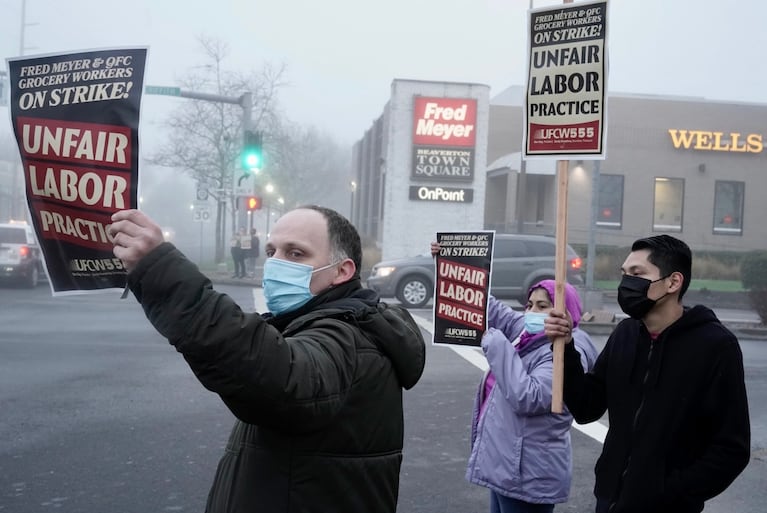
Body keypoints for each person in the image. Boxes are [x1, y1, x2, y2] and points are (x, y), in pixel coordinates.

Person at [109, 206, 426, 513]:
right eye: (272, 251)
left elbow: (281, 378)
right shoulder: (325, 323)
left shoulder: (347, 339)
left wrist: (160, 270)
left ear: (342, 271)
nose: (275, 263)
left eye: (295, 254)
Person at [544, 234, 751, 513]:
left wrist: (671, 492)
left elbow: (731, 449)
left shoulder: (715, 346)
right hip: (609, 500)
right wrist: (566, 348)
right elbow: (586, 407)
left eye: (637, 273)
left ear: (673, 282)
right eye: (624, 274)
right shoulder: (624, 334)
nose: (626, 283)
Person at [430, 243, 598, 513]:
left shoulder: (564, 352)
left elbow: (528, 397)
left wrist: (495, 344)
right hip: (508, 466)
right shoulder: (529, 332)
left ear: (566, 314)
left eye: (543, 306)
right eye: (530, 304)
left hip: (528, 474)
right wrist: (452, 267)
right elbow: (491, 309)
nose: (531, 311)